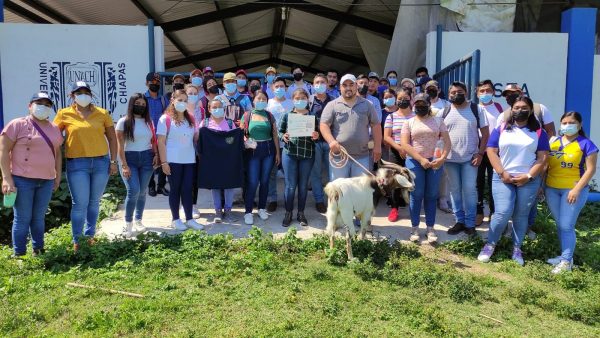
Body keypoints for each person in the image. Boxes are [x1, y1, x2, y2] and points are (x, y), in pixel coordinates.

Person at [478, 96, 549, 265]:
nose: (520, 111)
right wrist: (502, 173)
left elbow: (543, 157)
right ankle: (490, 245)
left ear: (531, 111)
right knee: (502, 212)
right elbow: (491, 151)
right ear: (511, 110)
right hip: (503, 178)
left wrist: (529, 176)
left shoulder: (539, 132)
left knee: (521, 215)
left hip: (528, 180)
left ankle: (517, 249)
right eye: (516, 107)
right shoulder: (502, 128)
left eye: (524, 108)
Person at [54, 82, 118, 251]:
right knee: (79, 203)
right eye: (79, 92)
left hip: (100, 162)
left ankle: (90, 236)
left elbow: (112, 139)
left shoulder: (102, 113)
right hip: (77, 163)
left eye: (86, 92)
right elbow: (53, 138)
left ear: (91, 95)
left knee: (94, 202)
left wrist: (113, 161)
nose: (83, 95)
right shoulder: (63, 114)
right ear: (72, 96)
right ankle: (77, 240)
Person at [1, 92, 63, 257]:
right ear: (30, 106)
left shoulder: (54, 128)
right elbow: (4, 151)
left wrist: (57, 176)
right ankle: (19, 254)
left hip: (46, 180)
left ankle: (38, 250)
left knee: (38, 217)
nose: (43, 107)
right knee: (23, 218)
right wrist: (7, 179)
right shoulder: (17, 124)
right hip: (22, 180)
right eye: (39, 103)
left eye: (47, 104)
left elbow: (57, 153)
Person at [497, 84, 556, 234]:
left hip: (537, 160)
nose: (510, 96)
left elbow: (550, 131)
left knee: (532, 198)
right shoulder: (503, 115)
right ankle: (504, 228)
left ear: (521, 92)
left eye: (514, 93)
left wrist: (541, 151)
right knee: (505, 202)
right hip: (512, 163)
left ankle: (526, 230)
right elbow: (498, 141)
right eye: (507, 94)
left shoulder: (539, 109)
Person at [544, 111, 597, 274]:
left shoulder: (586, 144)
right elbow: (545, 166)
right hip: (551, 189)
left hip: (573, 190)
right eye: (565, 123)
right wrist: (540, 185)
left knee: (567, 225)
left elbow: (591, 170)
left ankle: (566, 262)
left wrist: (576, 189)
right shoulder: (553, 142)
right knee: (560, 224)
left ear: (580, 125)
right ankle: (565, 257)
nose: (567, 125)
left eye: (572, 122)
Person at [440, 81, 490, 236]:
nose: (456, 95)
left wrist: (480, 154)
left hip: (470, 158)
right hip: (450, 159)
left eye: (460, 92)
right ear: (449, 95)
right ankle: (459, 221)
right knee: (454, 190)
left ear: (466, 93)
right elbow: (439, 135)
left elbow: (486, 133)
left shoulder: (477, 109)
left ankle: (470, 223)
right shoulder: (444, 111)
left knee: (470, 190)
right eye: (453, 93)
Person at [401, 93, 451, 243]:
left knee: (431, 195)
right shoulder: (408, 123)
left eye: (424, 104)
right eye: (418, 104)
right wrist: (421, 159)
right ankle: (415, 227)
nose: (420, 107)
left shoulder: (438, 121)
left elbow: (447, 142)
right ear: (413, 105)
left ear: (429, 105)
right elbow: (405, 144)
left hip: (435, 161)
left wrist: (442, 158)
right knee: (416, 195)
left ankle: (430, 227)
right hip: (415, 161)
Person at [156, 89, 203, 231]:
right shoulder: (165, 119)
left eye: (185, 100)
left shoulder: (191, 118)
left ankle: (189, 219)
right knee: (175, 189)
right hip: (173, 160)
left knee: (188, 189)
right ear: (173, 101)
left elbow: (195, 138)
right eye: (179, 100)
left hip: (189, 160)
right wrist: (164, 163)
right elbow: (161, 142)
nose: (182, 103)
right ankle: (175, 219)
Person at [320, 74, 382, 180]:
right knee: (338, 191)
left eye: (351, 85)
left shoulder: (368, 104)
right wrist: (331, 141)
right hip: (339, 157)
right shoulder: (332, 105)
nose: (348, 88)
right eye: (345, 85)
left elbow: (375, 125)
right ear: (340, 87)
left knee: (360, 191)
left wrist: (377, 146)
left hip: (361, 156)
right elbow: (324, 125)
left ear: (356, 86)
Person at [115, 93, 159, 237]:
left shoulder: (149, 122)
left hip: (147, 157)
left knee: (142, 192)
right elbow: (119, 146)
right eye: (138, 104)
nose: (140, 106)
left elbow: (153, 142)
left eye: (143, 105)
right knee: (133, 190)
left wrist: (156, 155)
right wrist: (123, 165)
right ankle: (128, 224)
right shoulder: (123, 122)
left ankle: (138, 220)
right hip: (130, 158)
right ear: (131, 104)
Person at [278, 88, 320, 227]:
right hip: (290, 154)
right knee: (290, 186)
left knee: (302, 186)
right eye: (297, 98)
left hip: (307, 155)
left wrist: (316, 136)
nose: (300, 101)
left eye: (303, 98)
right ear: (293, 100)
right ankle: (288, 212)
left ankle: (301, 213)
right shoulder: (287, 115)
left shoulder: (312, 116)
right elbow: (280, 132)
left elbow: (318, 137)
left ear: (307, 100)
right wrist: (283, 137)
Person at [241, 89, 281, 225]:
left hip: (268, 150)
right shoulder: (247, 115)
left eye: (264, 99)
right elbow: (242, 133)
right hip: (252, 151)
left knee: (265, 181)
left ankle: (262, 208)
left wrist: (278, 153)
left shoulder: (270, 116)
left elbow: (275, 135)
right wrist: (245, 140)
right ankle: (248, 212)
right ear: (253, 100)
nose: (261, 101)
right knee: (252, 182)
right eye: (259, 99)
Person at [199, 98, 239, 223]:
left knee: (229, 185)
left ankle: (228, 210)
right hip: (212, 161)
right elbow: (200, 142)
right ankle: (218, 211)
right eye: (214, 107)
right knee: (215, 186)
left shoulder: (230, 123)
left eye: (220, 107)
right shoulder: (204, 124)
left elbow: (234, 140)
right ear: (209, 109)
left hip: (228, 159)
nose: (217, 109)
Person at [475, 79, 504, 226]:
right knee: (478, 182)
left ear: (493, 92)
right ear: (477, 93)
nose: (485, 93)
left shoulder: (501, 108)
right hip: (477, 151)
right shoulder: (473, 109)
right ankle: (479, 211)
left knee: (494, 183)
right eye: (482, 91)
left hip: (495, 152)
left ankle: (493, 212)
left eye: (488, 90)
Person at [383, 88, 414, 221]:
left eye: (405, 98)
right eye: (400, 98)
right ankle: (394, 208)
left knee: (411, 179)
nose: (402, 101)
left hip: (413, 152)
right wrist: (400, 149)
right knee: (394, 180)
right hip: (396, 151)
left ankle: (414, 207)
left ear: (411, 99)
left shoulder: (416, 116)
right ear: (396, 100)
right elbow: (387, 136)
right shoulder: (391, 116)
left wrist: (408, 150)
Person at [308, 73, 335, 213]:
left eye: (322, 82)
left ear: (326, 84)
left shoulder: (334, 101)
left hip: (330, 142)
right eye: (317, 82)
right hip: (315, 142)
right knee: (316, 173)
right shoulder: (309, 101)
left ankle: (333, 201)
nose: (319, 84)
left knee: (333, 173)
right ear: (313, 85)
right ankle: (319, 200)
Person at [266, 76, 294, 212]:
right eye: (276, 87)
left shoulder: (292, 102)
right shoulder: (268, 103)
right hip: (272, 143)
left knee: (289, 174)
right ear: (272, 89)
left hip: (289, 143)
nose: (279, 89)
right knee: (272, 173)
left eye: (282, 86)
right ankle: (273, 199)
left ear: (286, 88)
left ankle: (288, 198)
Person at [425, 80, 452, 213]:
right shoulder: (421, 103)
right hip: (425, 142)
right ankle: (430, 198)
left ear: (439, 90)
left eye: (433, 88)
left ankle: (442, 198)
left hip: (441, 142)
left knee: (442, 171)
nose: (431, 91)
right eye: (428, 88)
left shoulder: (447, 105)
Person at [145, 72, 169, 197]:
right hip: (147, 133)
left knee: (162, 158)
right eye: (152, 82)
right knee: (149, 160)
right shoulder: (142, 99)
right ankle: (151, 186)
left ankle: (161, 186)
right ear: (146, 84)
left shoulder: (164, 100)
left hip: (161, 134)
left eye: (157, 82)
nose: (155, 84)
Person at [185, 84, 205, 219]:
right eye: (190, 93)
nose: (192, 95)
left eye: (195, 93)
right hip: (182, 148)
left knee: (194, 179)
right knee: (184, 178)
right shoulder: (180, 110)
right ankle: (183, 206)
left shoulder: (202, 110)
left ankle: (194, 206)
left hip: (196, 149)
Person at [357, 74, 383, 170]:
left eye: (365, 83)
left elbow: (377, 121)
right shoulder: (351, 99)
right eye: (361, 83)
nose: (363, 85)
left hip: (369, 141)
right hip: (354, 142)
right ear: (356, 85)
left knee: (367, 170)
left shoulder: (374, 101)